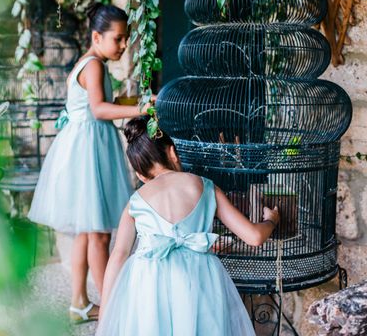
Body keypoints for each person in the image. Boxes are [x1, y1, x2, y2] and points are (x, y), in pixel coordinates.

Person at [96, 117, 281, 336]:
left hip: (149, 285)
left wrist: (105, 318)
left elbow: (118, 256)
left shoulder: (135, 202)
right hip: (200, 279)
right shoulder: (205, 186)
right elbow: (254, 237)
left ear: (140, 175)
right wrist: (271, 219)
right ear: (173, 153)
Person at [28, 3, 150, 323]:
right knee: (99, 233)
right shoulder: (94, 65)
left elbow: (103, 103)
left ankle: (79, 303)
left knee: (86, 229)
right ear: (97, 36)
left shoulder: (91, 62)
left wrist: (133, 102)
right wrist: (140, 110)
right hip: (88, 151)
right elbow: (98, 109)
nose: (124, 45)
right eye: (119, 39)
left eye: (126, 38)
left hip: (87, 146)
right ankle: (111, 307)